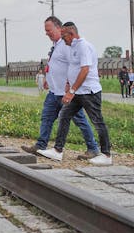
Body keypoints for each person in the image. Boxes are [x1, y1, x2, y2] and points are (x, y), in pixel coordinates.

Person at [21, 16, 99, 158]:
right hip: (53, 91)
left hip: (65, 94)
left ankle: (93, 149)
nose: (47, 33)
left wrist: (71, 90)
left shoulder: (67, 45)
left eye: (49, 30)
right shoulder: (56, 44)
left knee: (80, 120)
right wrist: (47, 79)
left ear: (58, 28)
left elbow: (75, 66)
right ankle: (40, 145)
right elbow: (54, 64)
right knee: (47, 118)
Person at [37, 22, 112, 166]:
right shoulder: (71, 47)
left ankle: (106, 155)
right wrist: (68, 83)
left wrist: (71, 91)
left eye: (64, 35)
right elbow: (72, 67)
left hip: (89, 92)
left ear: (71, 34)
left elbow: (84, 70)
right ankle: (57, 151)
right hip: (78, 91)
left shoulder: (83, 46)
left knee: (97, 121)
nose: (63, 38)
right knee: (64, 115)